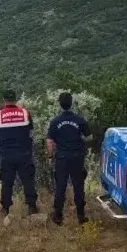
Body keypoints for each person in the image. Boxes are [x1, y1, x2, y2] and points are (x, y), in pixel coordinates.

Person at [0, 89, 39, 218]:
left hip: (7, 155)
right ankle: (32, 206)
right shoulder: (25, 113)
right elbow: (30, 129)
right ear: (15, 99)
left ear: (4, 100)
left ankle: (5, 208)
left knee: (7, 182)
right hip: (24, 153)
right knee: (28, 181)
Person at [46, 91, 91, 225]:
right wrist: (80, 140)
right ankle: (81, 216)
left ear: (60, 104)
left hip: (62, 158)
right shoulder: (80, 120)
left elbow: (49, 142)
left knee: (60, 186)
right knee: (78, 186)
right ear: (71, 104)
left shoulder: (55, 121)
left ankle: (58, 216)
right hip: (77, 157)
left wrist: (50, 156)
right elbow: (89, 137)